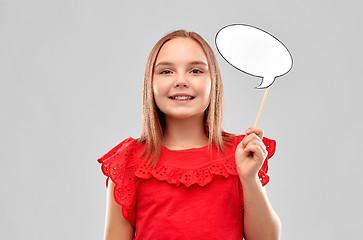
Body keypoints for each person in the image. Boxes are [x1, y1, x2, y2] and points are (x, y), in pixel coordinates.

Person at [97, 29, 281, 240]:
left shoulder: (241, 155)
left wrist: (249, 179)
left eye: (195, 71)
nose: (181, 81)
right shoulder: (128, 161)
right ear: (150, 83)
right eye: (166, 71)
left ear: (214, 83)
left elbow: (267, 238)